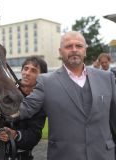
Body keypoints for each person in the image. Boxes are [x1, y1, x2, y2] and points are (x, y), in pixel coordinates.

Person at [18, 31, 116, 160]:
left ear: (85, 50)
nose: (74, 50)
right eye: (69, 46)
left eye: (79, 46)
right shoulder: (45, 82)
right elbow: (22, 110)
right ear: (60, 52)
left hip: (104, 155)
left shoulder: (106, 78)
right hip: (64, 155)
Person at [0, 56, 47, 160]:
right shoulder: (4, 91)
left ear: (42, 76)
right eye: (25, 68)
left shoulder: (40, 101)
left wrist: (15, 135)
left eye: (33, 70)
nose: (27, 73)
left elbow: (34, 135)